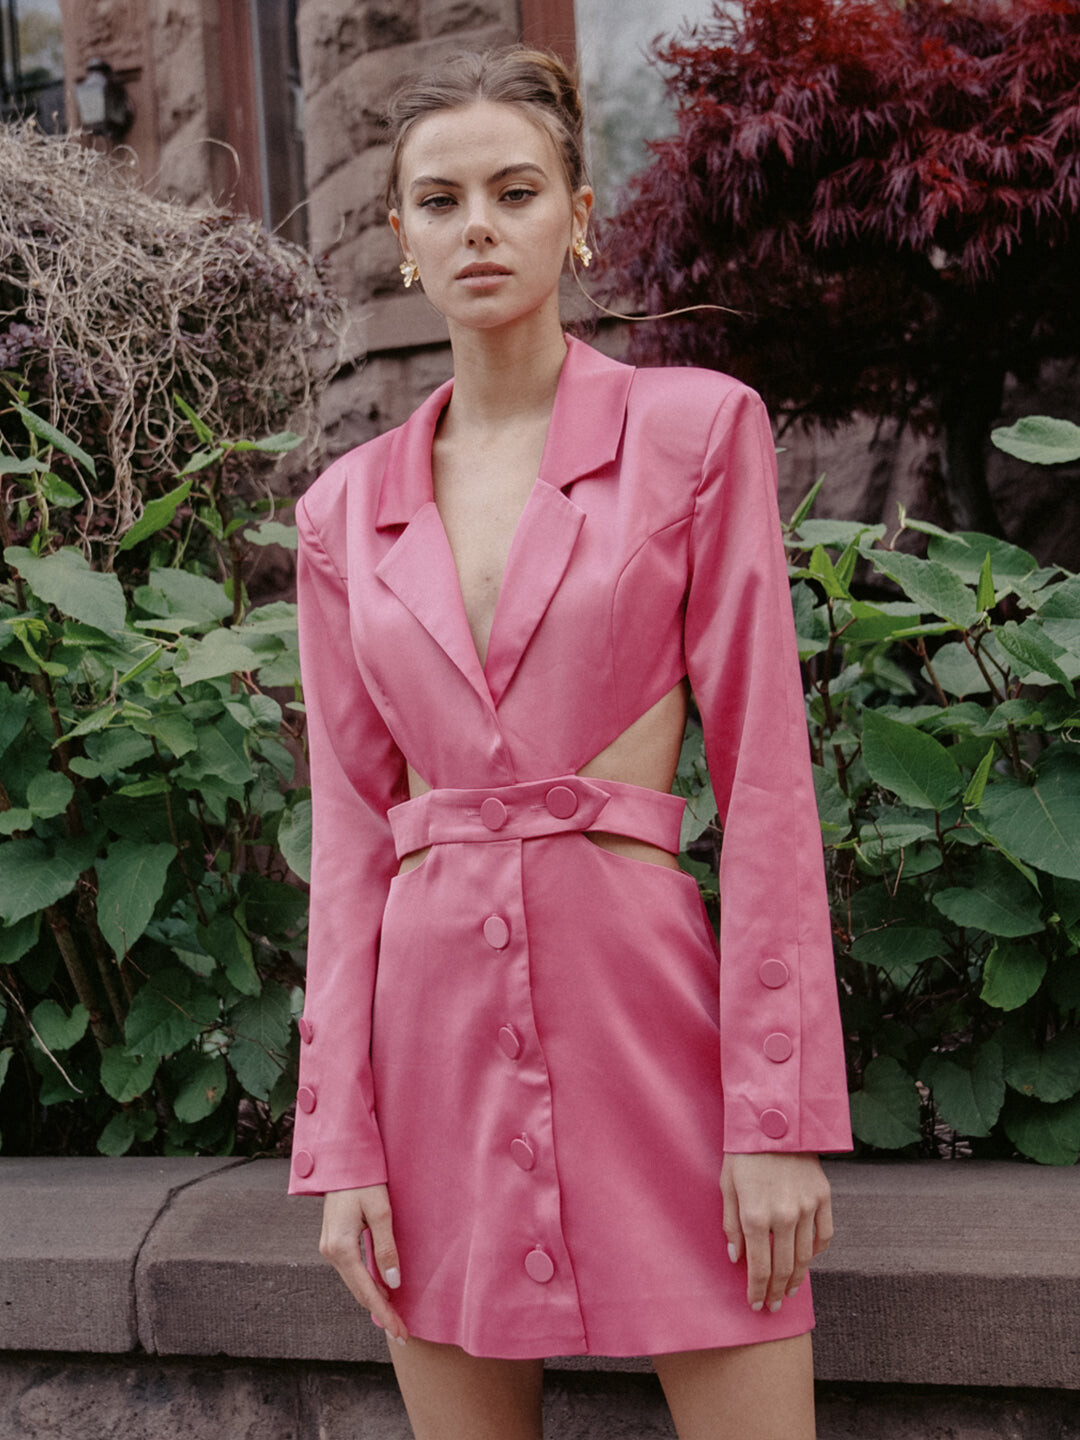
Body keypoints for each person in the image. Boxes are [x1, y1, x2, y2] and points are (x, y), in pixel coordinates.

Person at [288, 46, 852, 1440]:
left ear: (578, 218)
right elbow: (349, 844)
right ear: (402, 236)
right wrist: (342, 1144)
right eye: (440, 201)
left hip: (647, 1024)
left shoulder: (696, 432)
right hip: (429, 1056)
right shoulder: (342, 513)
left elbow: (767, 783)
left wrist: (775, 1120)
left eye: (515, 190)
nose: (477, 226)